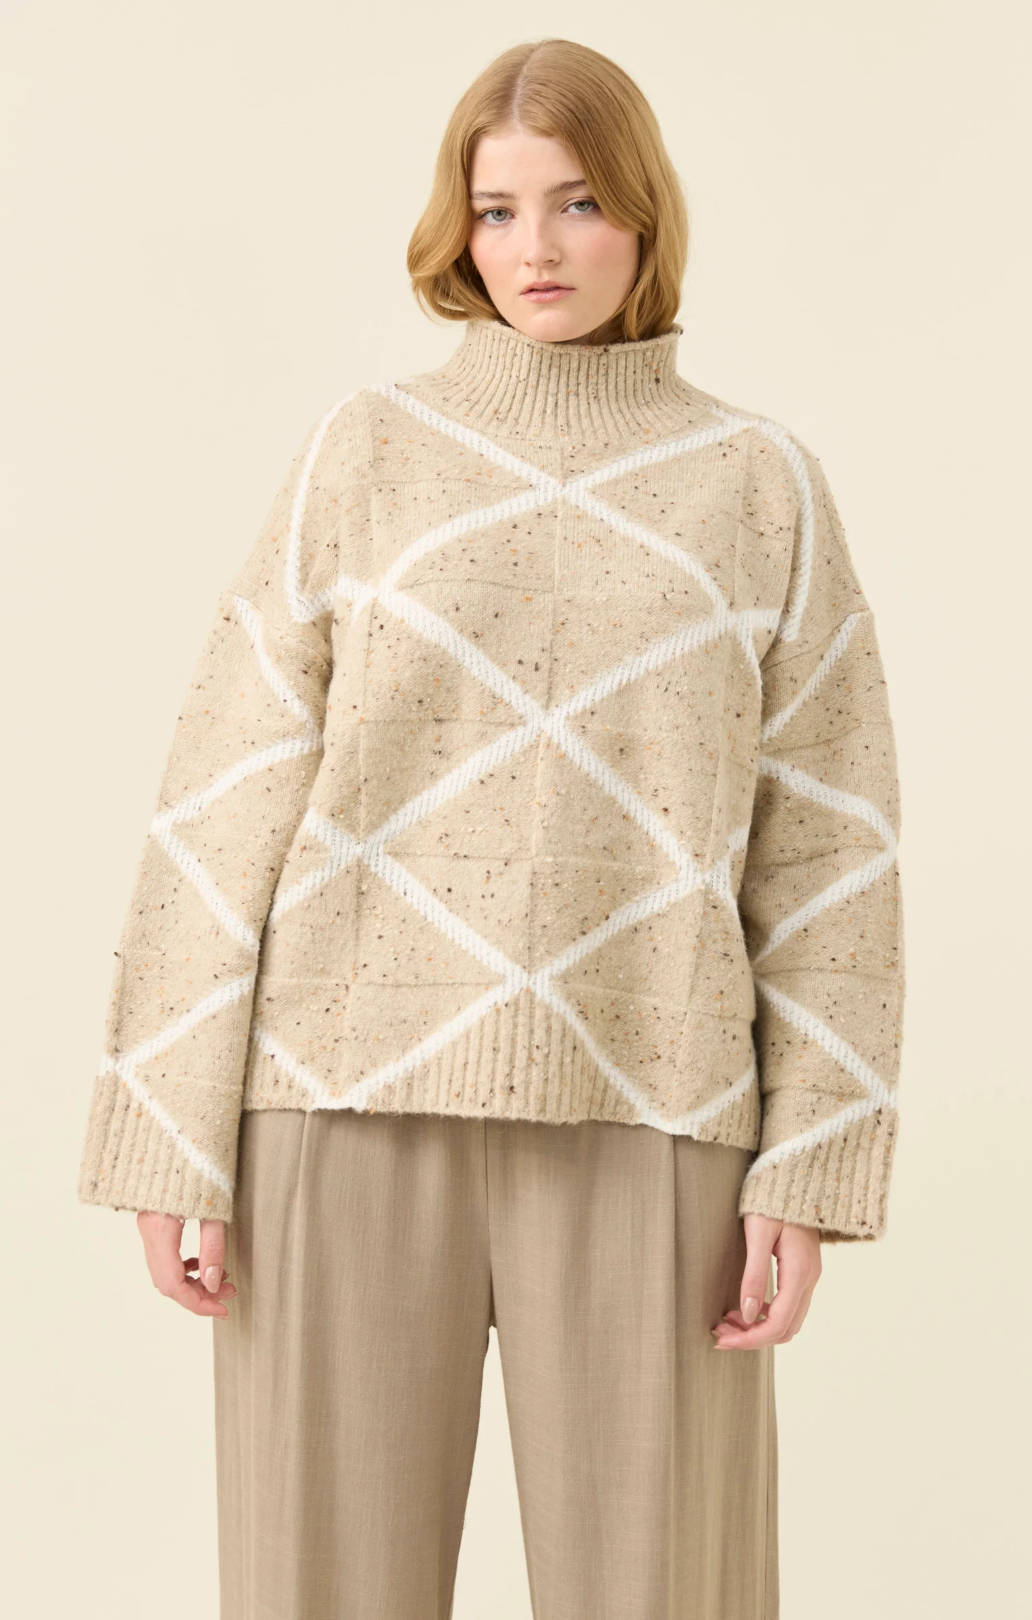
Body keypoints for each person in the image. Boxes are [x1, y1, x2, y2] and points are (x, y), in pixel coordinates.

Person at [76, 35, 905, 1620]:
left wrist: (812, 1160)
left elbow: (831, 847)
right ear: (457, 229)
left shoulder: (760, 486)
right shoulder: (364, 452)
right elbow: (227, 785)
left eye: (579, 202)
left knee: (669, 1593)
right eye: (500, 208)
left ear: (644, 214)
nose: (538, 248)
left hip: (654, 1099)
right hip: (338, 1097)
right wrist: (167, 1123)